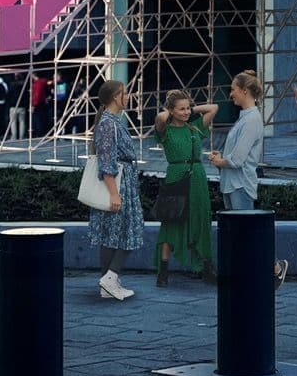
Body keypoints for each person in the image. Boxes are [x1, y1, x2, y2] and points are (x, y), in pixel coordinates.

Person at [153, 89, 218, 284]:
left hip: (197, 176)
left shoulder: (194, 127)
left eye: (188, 108)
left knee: (200, 219)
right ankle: (163, 272)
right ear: (171, 111)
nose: (186, 112)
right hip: (176, 176)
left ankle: (205, 267)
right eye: (181, 109)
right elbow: (159, 118)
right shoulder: (165, 131)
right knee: (171, 221)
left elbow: (213, 108)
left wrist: (189, 107)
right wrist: (171, 110)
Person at [88, 77, 144, 300]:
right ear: (115, 97)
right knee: (130, 231)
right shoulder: (109, 124)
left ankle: (107, 282)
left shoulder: (111, 122)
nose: (128, 96)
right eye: (125, 92)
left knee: (111, 234)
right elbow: (107, 161)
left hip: (121, 182)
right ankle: (110, 277)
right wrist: (114, 193)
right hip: (118, 184)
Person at [210, 72, 265, 210]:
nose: (230, 94)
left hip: (241, 186)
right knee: (235, 230)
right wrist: (221, 158)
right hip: (233, 185)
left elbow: (237, 159)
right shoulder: (245, 118)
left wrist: (219, 161)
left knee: (242, 230)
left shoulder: (251, 120)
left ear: (244, 90)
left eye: (233, 89)